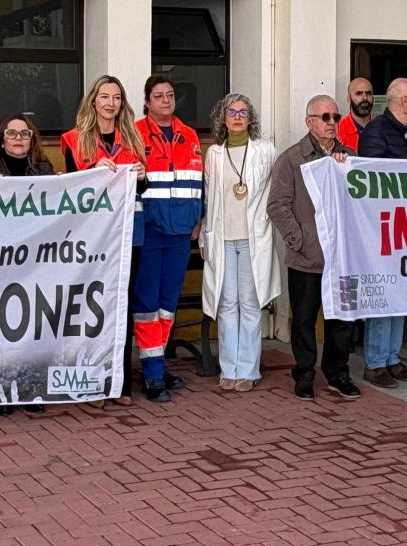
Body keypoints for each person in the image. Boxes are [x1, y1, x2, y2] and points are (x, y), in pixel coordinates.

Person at [60, 75, 149, 406]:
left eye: (117, 97)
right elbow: (69, 189)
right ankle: (92, 383)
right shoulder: (73, 140)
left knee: (121, 307)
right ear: (93, 101)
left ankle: (120, 383)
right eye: (104, 96)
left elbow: (144, 189)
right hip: (92, 238)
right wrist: (93, 173)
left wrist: (142, 178)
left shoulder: (134, 139)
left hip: (130, 234)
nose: (111, 103)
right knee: (91, 307)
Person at [269, 95, 361, 401]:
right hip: (307, 257)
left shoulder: (349, 157)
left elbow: (361, 203)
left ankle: (338, 372)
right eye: (325, 117)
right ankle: (305, 372)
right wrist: (300, 241)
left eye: (335, 116)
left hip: (343, 258)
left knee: (342, 319)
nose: (332, 122)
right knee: (305, 318)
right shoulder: (291, 159)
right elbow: (278, 205)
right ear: (310, 121)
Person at [0, 114, 57, 414]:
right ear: (2, 139)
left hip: (36, 264)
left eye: (24, 133)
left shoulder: (47, 174)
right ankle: (2, 390)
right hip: (1, 264)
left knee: (33, 328)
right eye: (12, 133)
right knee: (3, 327)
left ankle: (30, 388)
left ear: (32, 139)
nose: (19, 138)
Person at [356, 78, 407, 388]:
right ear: (402, 100)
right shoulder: (376, 131)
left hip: (400, 226)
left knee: (400, 293)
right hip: (379, 228)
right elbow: (371, 170)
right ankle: (375, 363)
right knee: (383, 292)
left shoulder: (403, 130)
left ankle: (391, 358)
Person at [200, 93, 279, 392]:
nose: (237, 117)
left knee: (250, 303)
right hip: (222, 239)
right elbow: (210, 199)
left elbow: (276, 190)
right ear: (222, 117)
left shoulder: (265, 150)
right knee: (226, 304)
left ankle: (248, 369)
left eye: (243, 112)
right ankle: (228, 369)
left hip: (252, 239)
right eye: (231, 112)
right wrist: (206, 233)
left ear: (250, 118)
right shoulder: (215, 155)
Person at [133, 76, 204, 402]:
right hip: (149, 232)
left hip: (180, 233)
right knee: (147, 305)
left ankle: (157, 363)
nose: (165, 100)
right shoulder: (133, 133)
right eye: (158, 96)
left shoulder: (188, 135)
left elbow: (198, 183)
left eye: (170, 95)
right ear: (147, 101)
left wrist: (198, 219)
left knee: (167, 305)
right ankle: (153, 375)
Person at [335, 77, 374, 152]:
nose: (365, 98)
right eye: (359, 94)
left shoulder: (381, 128)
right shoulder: (338, 129)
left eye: (368, 93)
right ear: (348, 99)